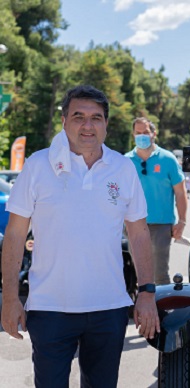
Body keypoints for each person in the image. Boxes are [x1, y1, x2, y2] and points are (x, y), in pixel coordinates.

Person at [0, 85, 159, 388]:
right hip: (49, 310)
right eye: (78, 117)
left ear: (106, 124)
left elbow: (138, 233)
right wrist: (10, 298)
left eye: (96, 118)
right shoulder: (37, 165)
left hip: (109, 308)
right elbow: (15, 233)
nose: (88, 126)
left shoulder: (123, 169)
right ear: (63, 120)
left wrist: (147, 292)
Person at [125, 117, 188, 285]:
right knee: (139, 274)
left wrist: (182, 221)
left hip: (161, 225)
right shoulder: (125, 161)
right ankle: (141, 309)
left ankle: (161, 309)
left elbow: (181, 193)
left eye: (145, 132)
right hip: (133, 225)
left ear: (154, 134)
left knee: (160, 274)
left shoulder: (168, 159)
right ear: (133, 134)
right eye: (138, 133)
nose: (141, 136)